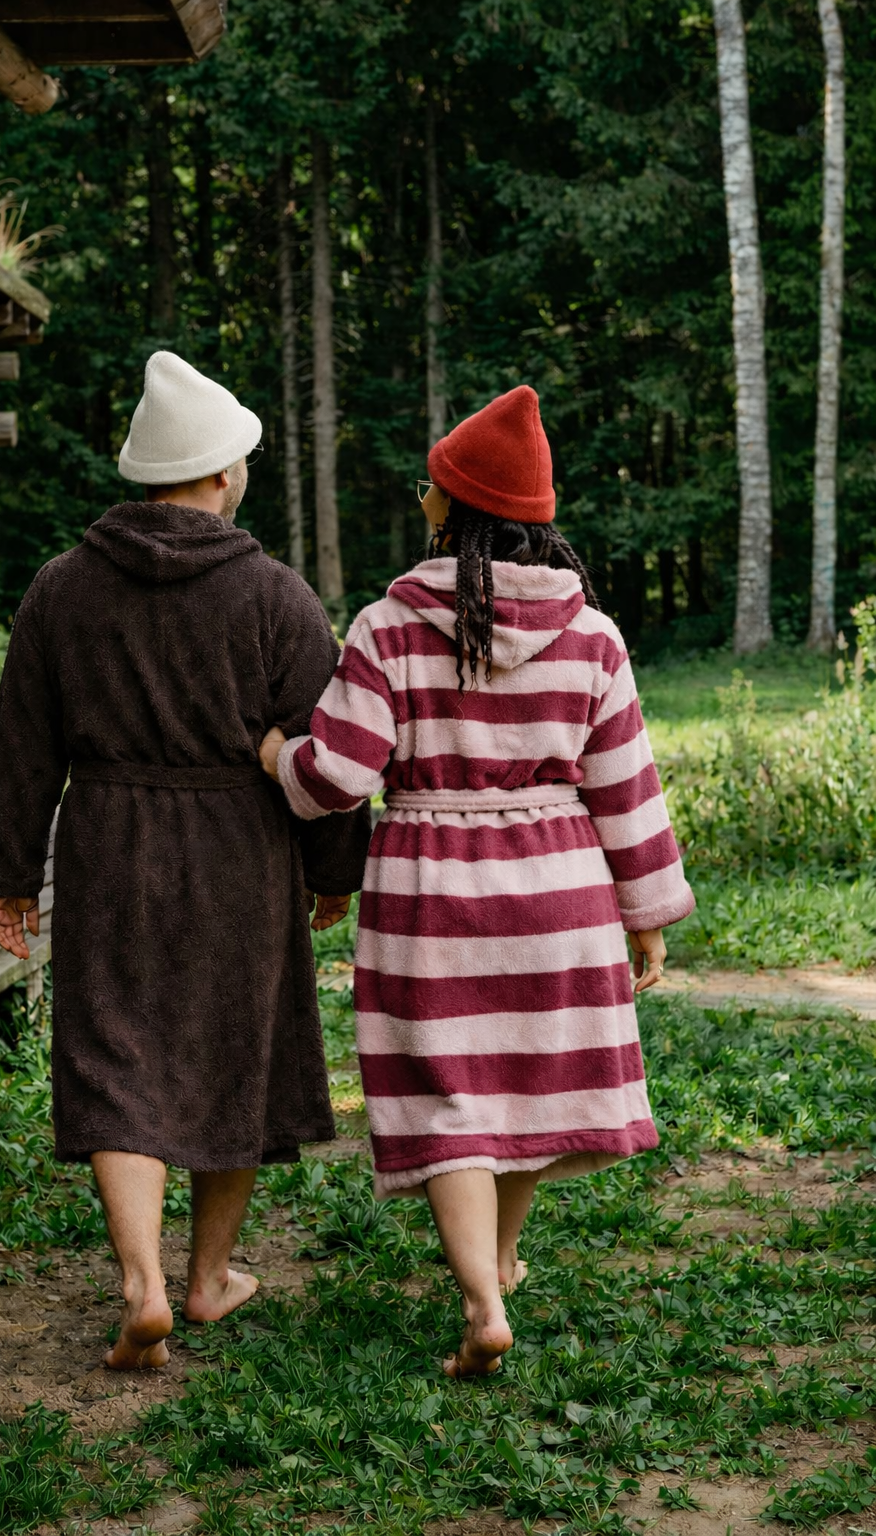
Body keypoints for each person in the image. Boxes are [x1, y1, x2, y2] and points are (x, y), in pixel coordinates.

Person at [259, 385, 694, 1379]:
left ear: (456, 508)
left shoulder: (388, 626)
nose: (422, 498)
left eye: (432, 486)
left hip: (431, 894)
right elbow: (626, 786)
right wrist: (648, 916)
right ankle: (496, 1260)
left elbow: (338, 778)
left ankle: (484, 1303)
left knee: (448, 1092)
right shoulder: (593, 636)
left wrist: (279, 757)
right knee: (523, 1080)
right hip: (560, 890)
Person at [0, 351, 370, 1370]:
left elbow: (23, 741)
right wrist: (332, 870)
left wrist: (10, 872)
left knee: (114, 1054)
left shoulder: (61, 590)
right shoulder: (277, 597)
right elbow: (323, 749)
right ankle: (206, 1279)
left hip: (108, 847)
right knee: (235, 1050)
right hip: (241, 852)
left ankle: (140, 1284)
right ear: (222, 473)